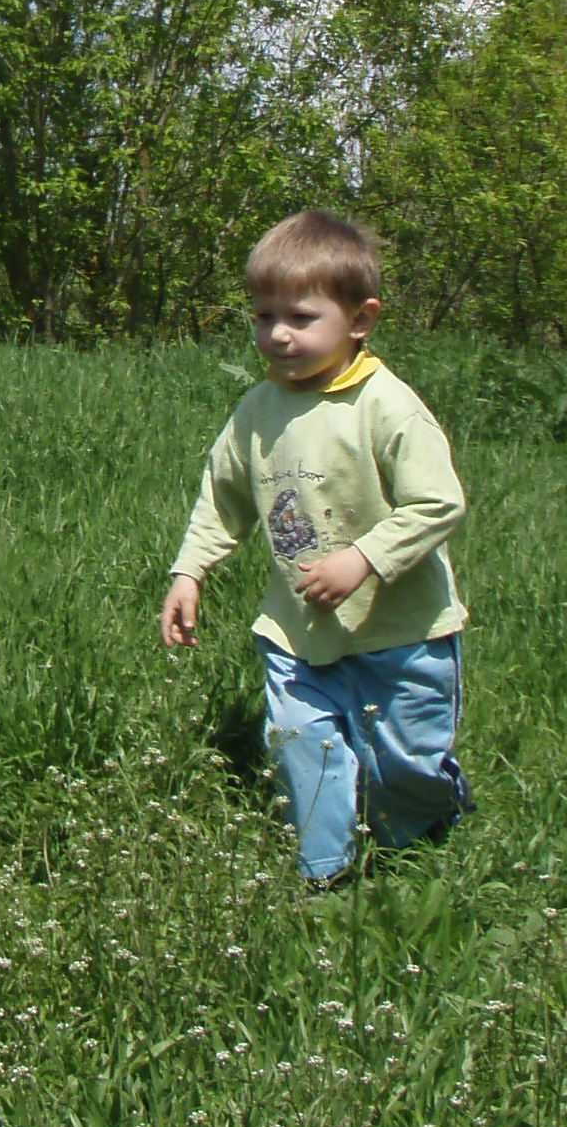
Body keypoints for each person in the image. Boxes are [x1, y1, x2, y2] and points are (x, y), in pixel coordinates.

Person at [158, 210, 472, 881]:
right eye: (263, 315)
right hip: (297, 634)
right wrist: (190, 571)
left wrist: (364, 558)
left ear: (360, 319)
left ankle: (422, 849)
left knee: (404, 769)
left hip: (402, 635)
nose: (277, 334)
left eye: (301, 318)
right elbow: (224, 496)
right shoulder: (257, 410)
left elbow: (438, 502)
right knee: (301, 744)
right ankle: (323, 875)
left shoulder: (387, 407)